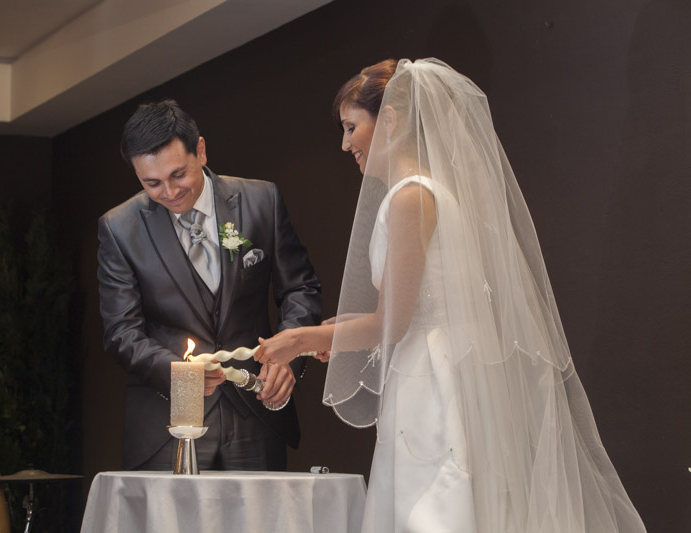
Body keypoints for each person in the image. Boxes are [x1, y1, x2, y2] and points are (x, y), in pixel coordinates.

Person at [255, 59, 646, 532]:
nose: (345, 144)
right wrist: (339, 331)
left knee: (431, 508)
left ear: (390, 120)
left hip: (430, 378)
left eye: (351, 127)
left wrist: (300, 339)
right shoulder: (429, 192)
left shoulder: (409, 197)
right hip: (437, 363)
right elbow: (420, 306)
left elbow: (393, 322)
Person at [98, 99, 322, 471]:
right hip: (166, 423)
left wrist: (290, 353)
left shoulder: (261, 200)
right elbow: (121, 332)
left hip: (256, 411)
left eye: (178, 175)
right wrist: (179, 374)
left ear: (200, 151)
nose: (169, 191)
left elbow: (300, 288)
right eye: (152, 183)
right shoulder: (119, 228)